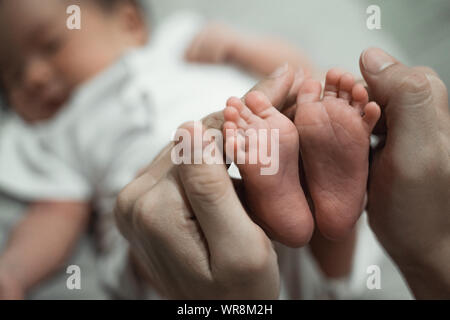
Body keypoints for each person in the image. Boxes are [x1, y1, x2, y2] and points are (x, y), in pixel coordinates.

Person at [0, 0, 327, 299]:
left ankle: (298, 180)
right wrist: (13, 273)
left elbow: (291, 72)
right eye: (13, 75)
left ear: (129, 24)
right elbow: (55, 213)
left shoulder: (181, 40)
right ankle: (286, 192)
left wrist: (240, 47)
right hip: (152, 225)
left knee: (281, 117)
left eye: (50, 45)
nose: (34, 76)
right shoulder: (51, 135)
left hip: (240, 142)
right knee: (146, 231)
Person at [114, 47, 450, 299]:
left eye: (57, 45)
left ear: (130, 20)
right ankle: (306, 192)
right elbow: (296, 72)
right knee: (157, 217)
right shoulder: (70, 130)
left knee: (169, 218)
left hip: (216, 272)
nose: (57, 73)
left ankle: (294, 186)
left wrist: (233, 46)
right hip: (247, 147)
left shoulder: (177, 38)